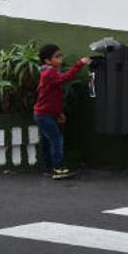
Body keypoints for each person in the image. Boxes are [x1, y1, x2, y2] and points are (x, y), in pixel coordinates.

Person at [35, 44, 90, 180]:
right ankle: (58, 168)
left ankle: (48, 168)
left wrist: (58, 113)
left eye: (60, 55)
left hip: (44, 114)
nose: (60, 58)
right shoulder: (50, 72)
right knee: (56, 140)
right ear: (47, 61)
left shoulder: (48, 72)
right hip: (44, 115)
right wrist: (80, 63)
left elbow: (52, 98)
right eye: (57, 56)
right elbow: (66, 77)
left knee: (47, 142)